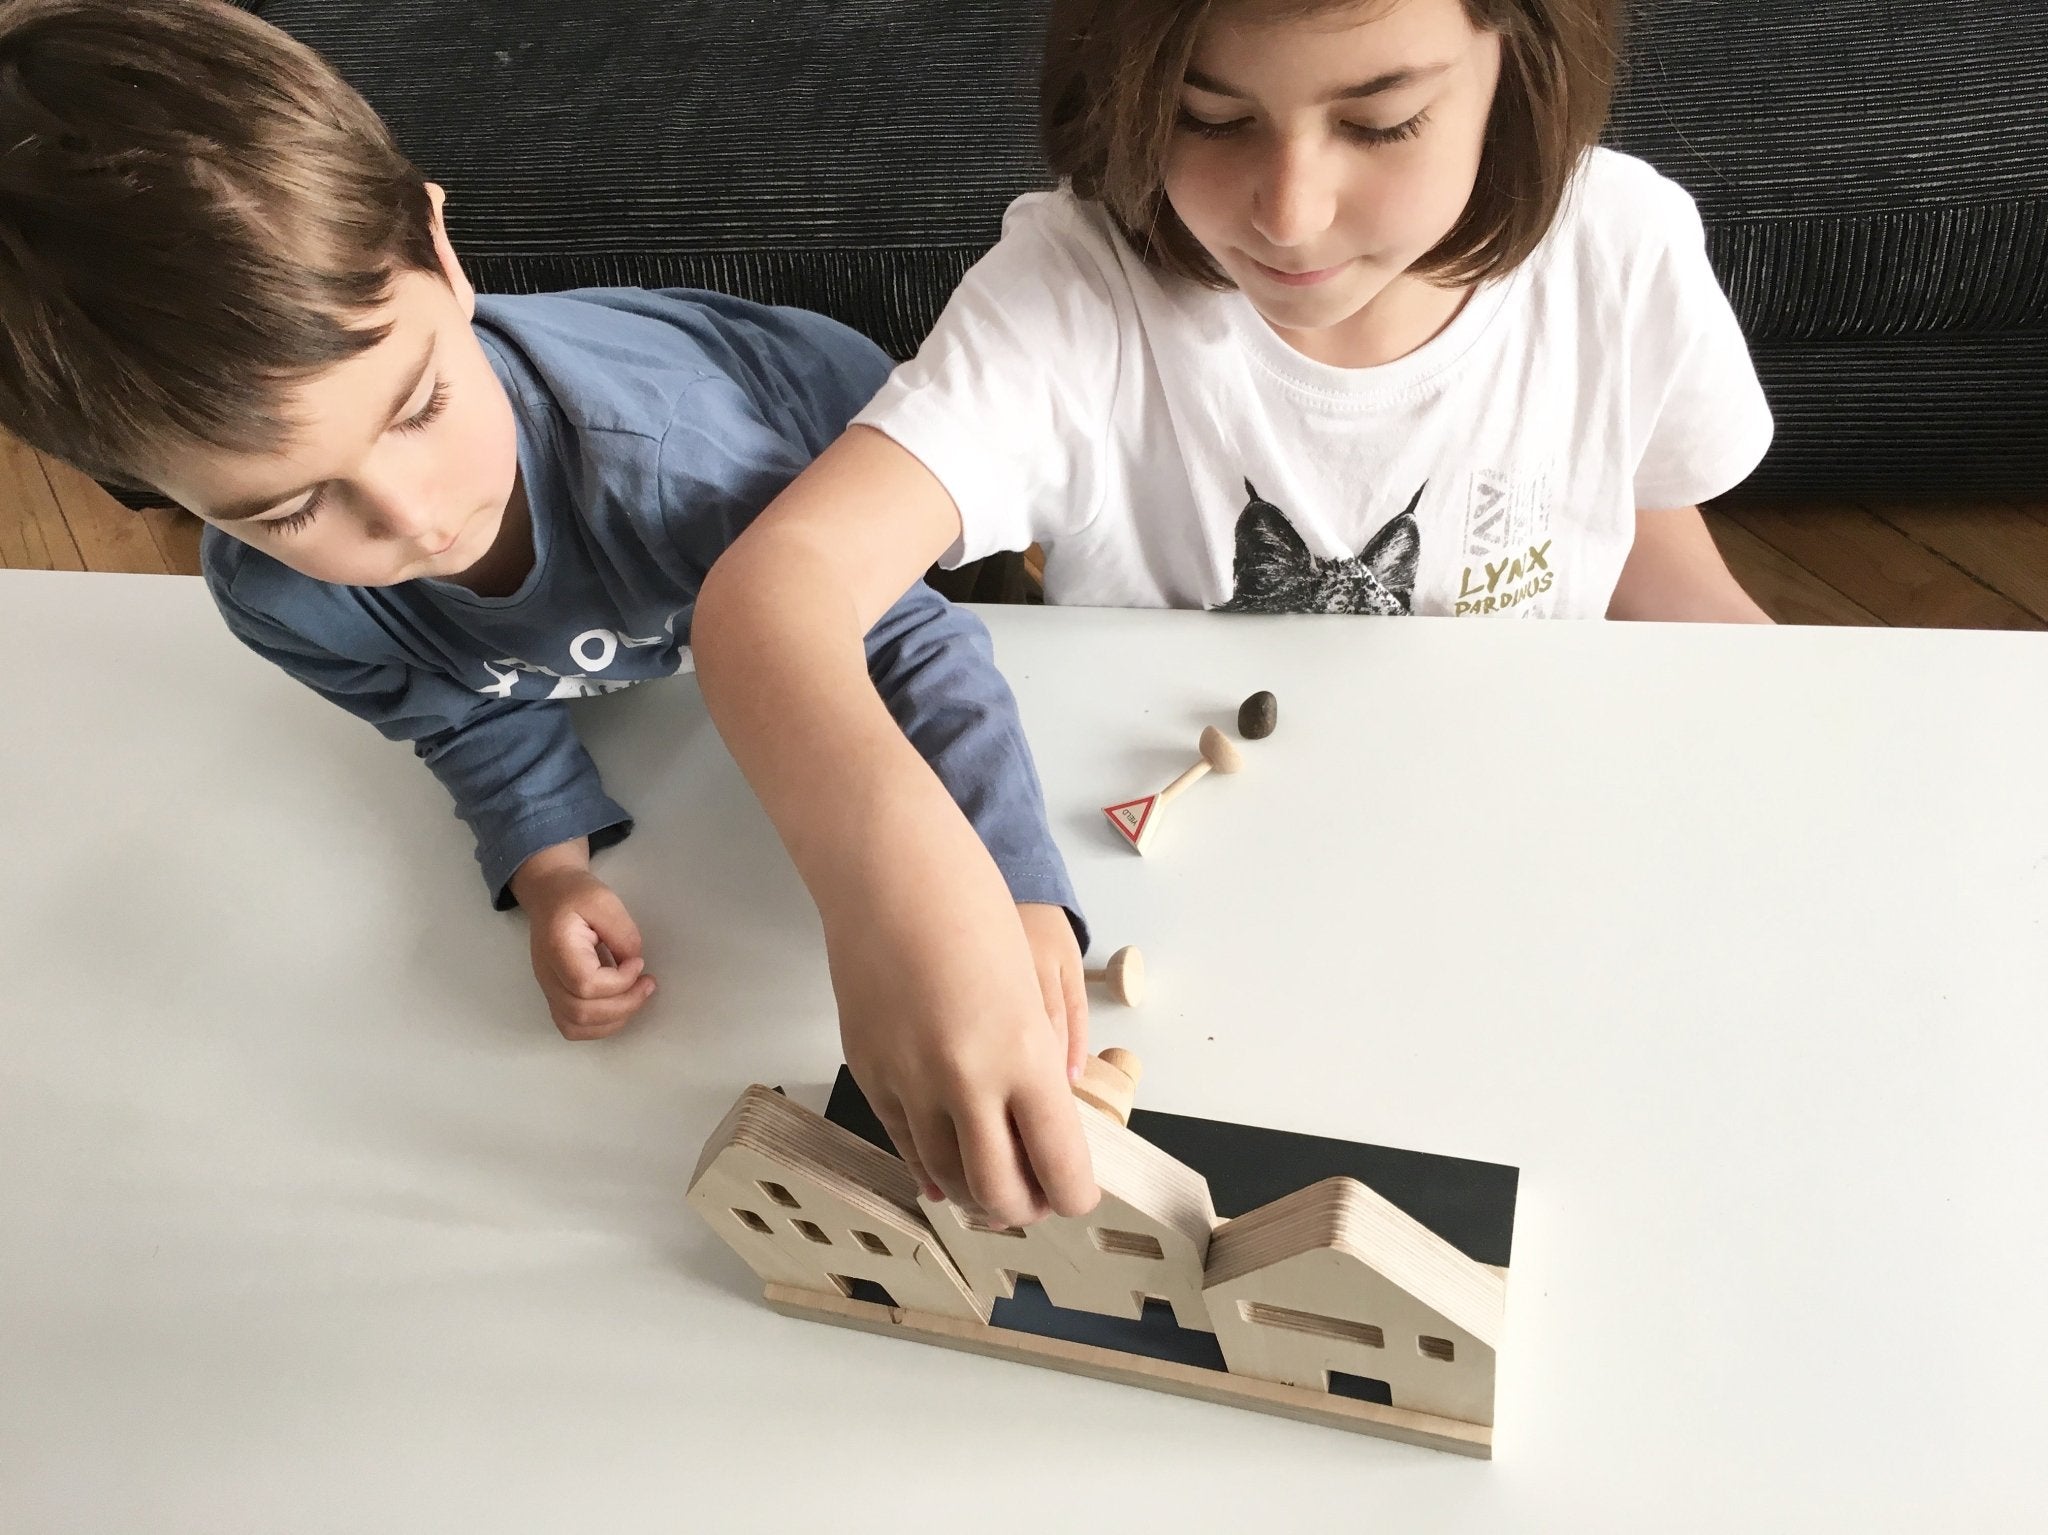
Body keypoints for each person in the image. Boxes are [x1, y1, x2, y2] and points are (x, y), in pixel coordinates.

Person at [692, 0, 1773, 1226]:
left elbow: (1642, 540)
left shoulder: (1618, 251)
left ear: (1516, 65)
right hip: (1204, 950)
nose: (1288, 212)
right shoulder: (1077, 296)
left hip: (1517, 909)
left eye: (1383, 121)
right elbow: (773, 591)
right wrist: (887, 878)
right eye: (1208, 118)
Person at [0, 0, 1090, 1066]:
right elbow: (454, 705)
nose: (417, 518)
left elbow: (913, 640)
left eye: (419, 405)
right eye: (287, 507)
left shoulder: (678, 459)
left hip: (843, 469)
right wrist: (549, 862)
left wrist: (1016, 891)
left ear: (438, 244)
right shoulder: (280, 600)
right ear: (145, 490)